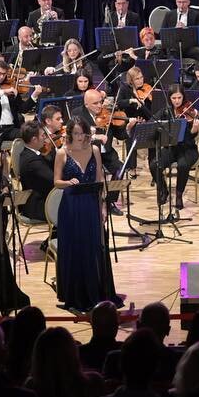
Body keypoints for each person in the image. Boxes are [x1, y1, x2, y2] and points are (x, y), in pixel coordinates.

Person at [53, 117, 121, 313]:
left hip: (91, 203)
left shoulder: (95, 150)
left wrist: (103, 207)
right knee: (76, 248)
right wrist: (68, 182)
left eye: (82, 133)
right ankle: (76, 295)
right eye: (76, 134)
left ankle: (96, 291)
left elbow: (99, 178)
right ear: (70, 134)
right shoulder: (61, 153)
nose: (80, 137)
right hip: (71, 206)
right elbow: (56, 181)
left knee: (93, 247)